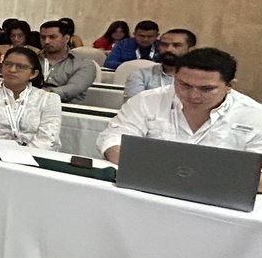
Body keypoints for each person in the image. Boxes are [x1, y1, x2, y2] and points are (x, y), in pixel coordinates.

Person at [97, 47, 262, 163]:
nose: (194, 95)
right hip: (151, 183)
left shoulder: (254, 115)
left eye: (207, 89)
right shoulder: (147, 101)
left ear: (229, 86)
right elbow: (113, 138)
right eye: (184, 85)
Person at [0, 46, 62, 149]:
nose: (12, 70)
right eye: (8, 64)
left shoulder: (49, 99)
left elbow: (47, 139)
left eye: (20, 66)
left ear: (33, 74)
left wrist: (23, 156)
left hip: (35, 156)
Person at [123, 29, 198, 98]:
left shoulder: (201, 78)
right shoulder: (141, 75)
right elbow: (133, 107)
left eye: (176, 45)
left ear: (191, 50)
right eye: (164, 45)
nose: (168, 49)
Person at [37, 20, 98, 102]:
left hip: (67, 109)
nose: (46, 41)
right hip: (31, 107)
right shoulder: (31, 59)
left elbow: (74, 88)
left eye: (52, 37)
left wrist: (42, 93)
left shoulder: (84, 63)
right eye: (43, 37)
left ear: (66, 38)